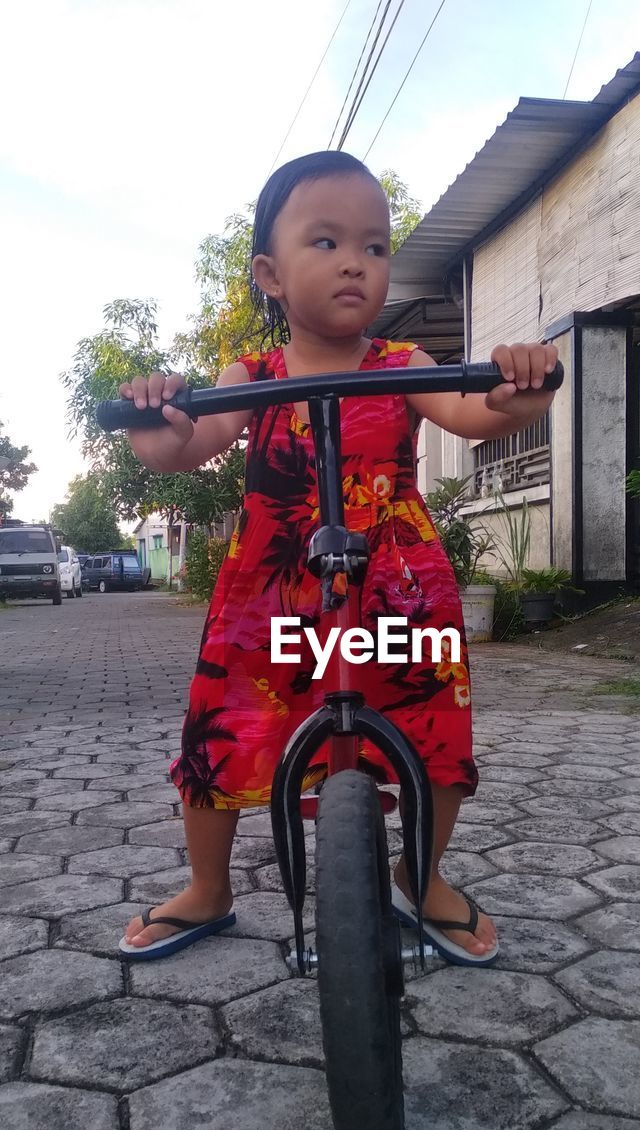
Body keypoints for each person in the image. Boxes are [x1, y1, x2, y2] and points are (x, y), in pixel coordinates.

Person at [119, 150, 558, 964]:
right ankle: (209, 888)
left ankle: (417, 876)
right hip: (271, 590)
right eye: (325, 242)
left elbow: (475, 411)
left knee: (433, 724)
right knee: (224, 725)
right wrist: (160, 424)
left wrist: (512, 394)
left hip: (396, 586)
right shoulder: (251, 375)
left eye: (375, 246)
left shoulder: (405, 367)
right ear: (270, 275)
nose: (355, 261)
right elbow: (188, 445)